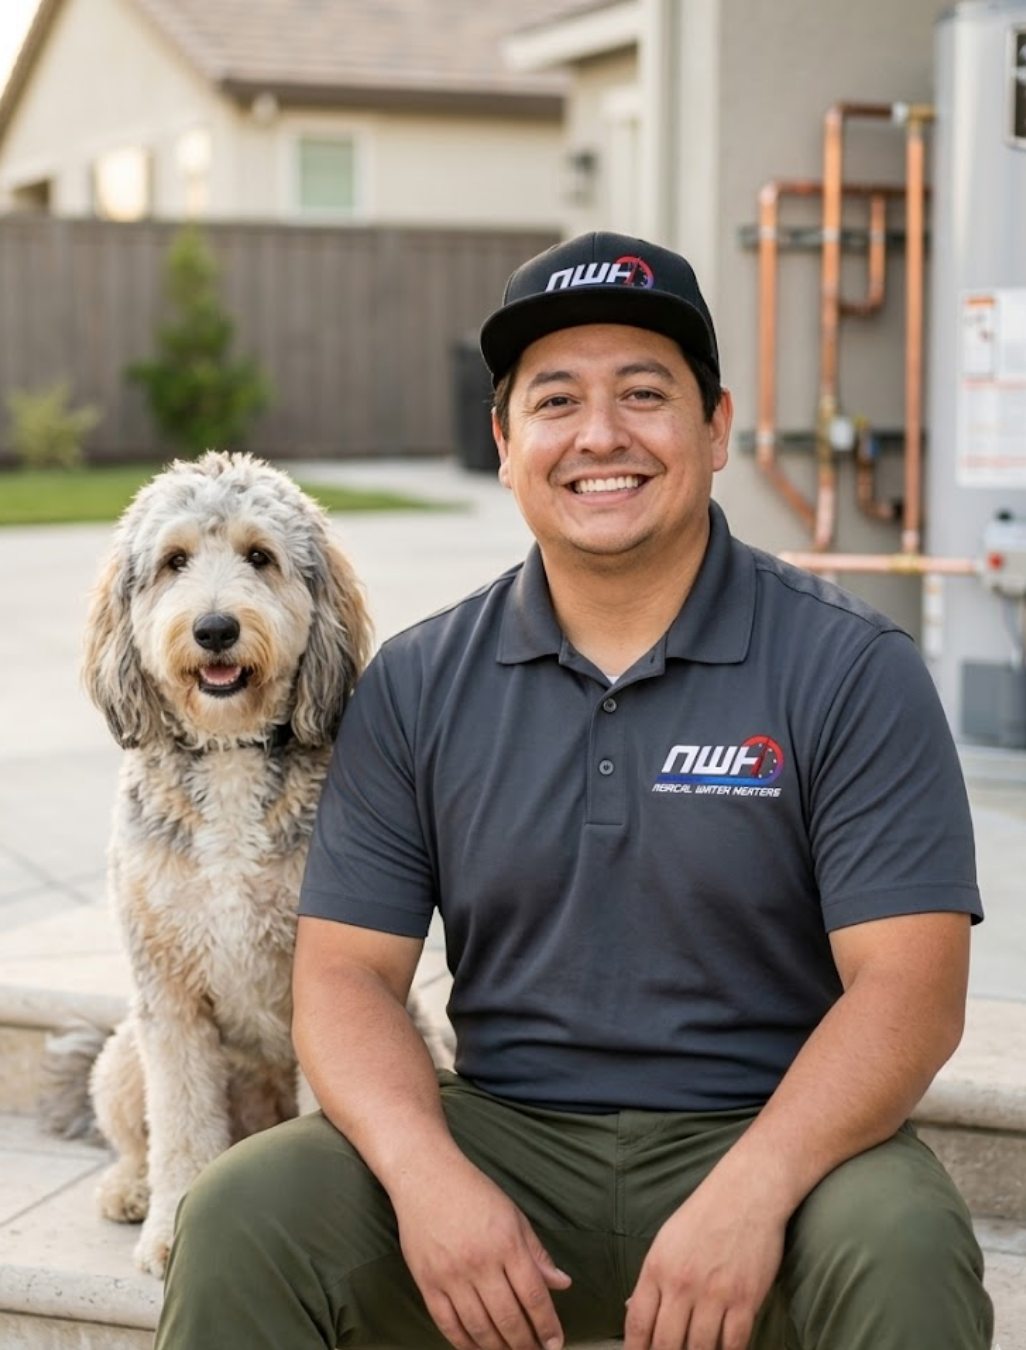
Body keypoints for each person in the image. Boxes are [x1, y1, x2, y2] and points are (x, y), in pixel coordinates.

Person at [154, 231, 993, 1350]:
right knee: (245, 1216)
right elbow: (346, 979)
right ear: (505, 443)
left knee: (907, 1243)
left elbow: (910, 991)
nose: (601, 435)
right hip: (503, 1131)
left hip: (776, 1139)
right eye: (556, 401)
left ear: (717, 427)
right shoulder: (418, 682)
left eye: (644, 393)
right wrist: (426, 1178)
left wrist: (754, 1192)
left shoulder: (850, 668)